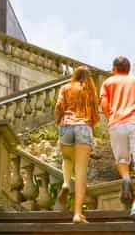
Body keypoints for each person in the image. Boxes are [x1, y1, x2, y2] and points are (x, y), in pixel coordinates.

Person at [100, 56, 135, 221]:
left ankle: (125, 177)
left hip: (116, 124)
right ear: (128, 69)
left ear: (114, 69)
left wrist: (111, 116)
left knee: (122, 159)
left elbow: (104, 105)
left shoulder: (108, 82)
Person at [54, 66, 100, 224]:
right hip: (83, 126)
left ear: (75, 75)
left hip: (66, 125)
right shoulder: (91, 92)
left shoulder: (65, 87)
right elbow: (95, 116)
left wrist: (58, 121)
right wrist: (88, 125)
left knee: (67, 159)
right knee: (80, 171)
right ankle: (77, 214)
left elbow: (59, 106)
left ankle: (66, 183)